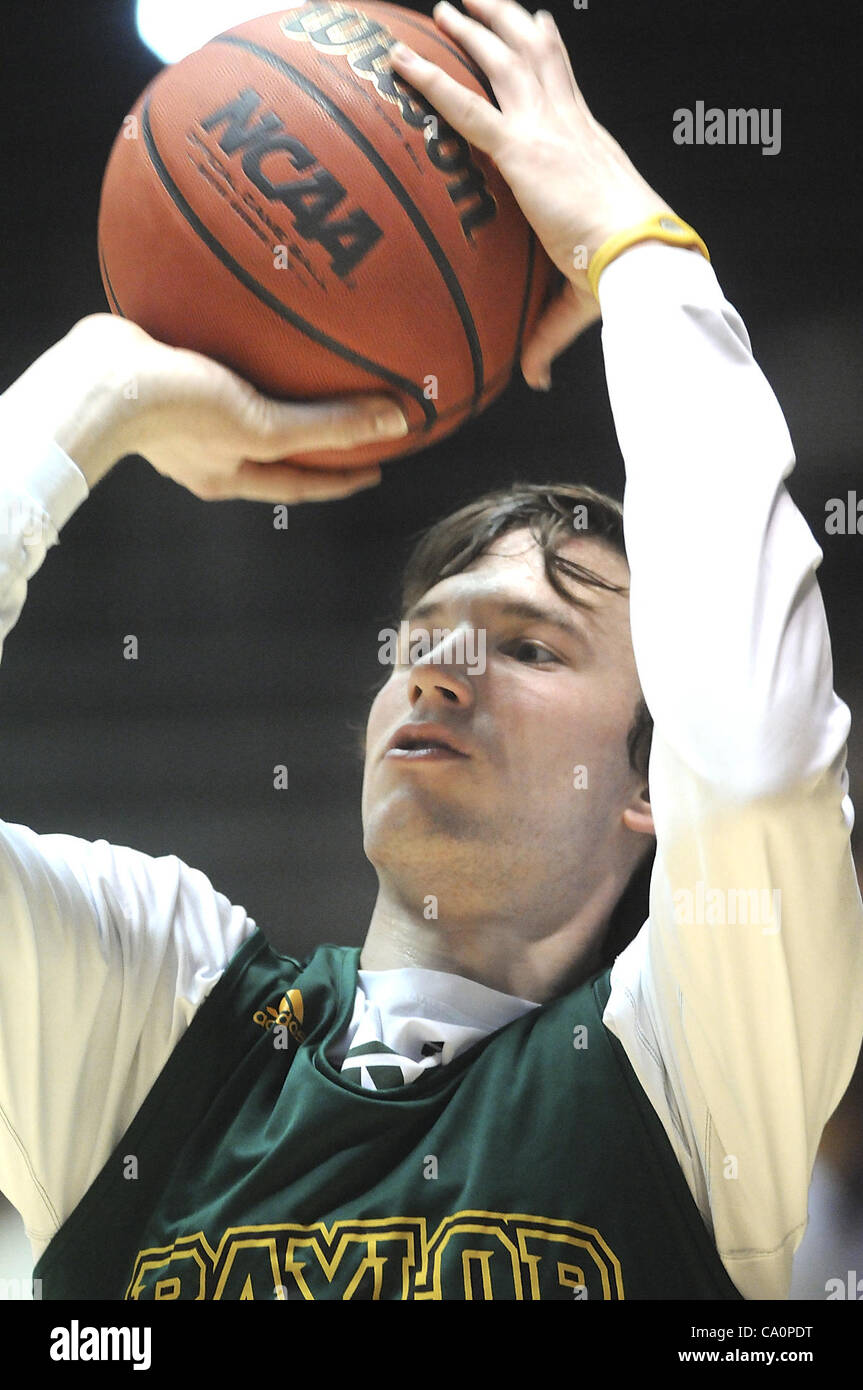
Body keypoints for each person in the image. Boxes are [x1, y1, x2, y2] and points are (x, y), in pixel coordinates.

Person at [0, 0, 860, 1301]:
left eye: (533, 644)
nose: (444, 664)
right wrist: (94, 393)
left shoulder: (685, 1078)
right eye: (429, 629)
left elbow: (754, 765)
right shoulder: (160, 1019)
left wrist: (639, 257)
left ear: (648, 783)